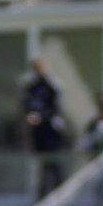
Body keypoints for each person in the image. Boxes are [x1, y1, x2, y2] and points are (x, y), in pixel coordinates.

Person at [22, 57, 68, 192]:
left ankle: (59, 193)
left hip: (51, 130)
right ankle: (43, 193)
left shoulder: (52, 85)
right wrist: (30, 116)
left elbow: (57, 108)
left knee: (54, 163)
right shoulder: (31, 86)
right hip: (38, 131)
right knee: (42, 165)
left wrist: (42, 116)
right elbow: (27, 105)